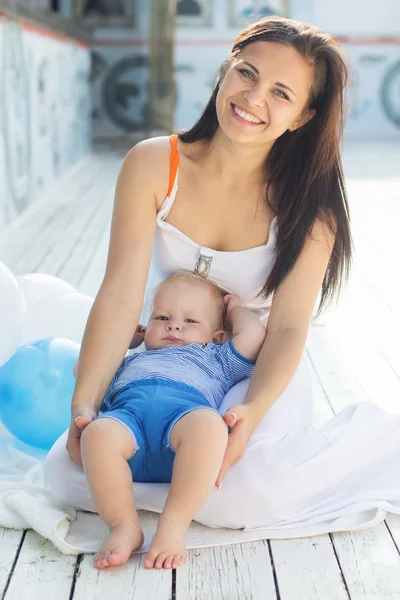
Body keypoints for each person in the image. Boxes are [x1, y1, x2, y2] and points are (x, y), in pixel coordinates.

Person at [44, 15, 400, 561]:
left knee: (251, 492)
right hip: (168, 356)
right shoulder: (152, 164)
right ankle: (154, 491)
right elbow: (119, 295)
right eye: (247, 74)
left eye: (281, 93)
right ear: (225, 69)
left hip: (248, 370)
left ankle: (175, 493)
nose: (253, 98)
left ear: (303, 116)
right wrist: (84, 405)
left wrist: (251, 414)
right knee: (62, 474)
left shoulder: (311, 208)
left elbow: (286, 328)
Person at [75, 273, 265, 569]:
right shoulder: (129, 360)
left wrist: (236, 309)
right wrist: (123, 340)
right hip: (129, 428)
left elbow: (253, 335)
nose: (174, 325)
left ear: (216, 336)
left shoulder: (216, 356)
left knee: (210, 425)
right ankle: (123, 526)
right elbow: (83, 369)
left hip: (182, 426)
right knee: (97, 434)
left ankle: (174, 524)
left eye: (190, 321)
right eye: (162, 317)